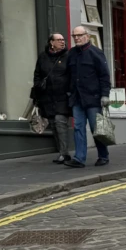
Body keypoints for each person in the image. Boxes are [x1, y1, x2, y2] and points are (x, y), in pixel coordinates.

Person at [66, 26, 110, 168]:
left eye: (79, 35)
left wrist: (105, 95)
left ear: (87, 36)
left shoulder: (96, 53)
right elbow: (68, 75)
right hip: (77, 98)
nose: (76, 38)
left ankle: (103, 156)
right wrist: (68, 91)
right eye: (74, 36)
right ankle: (79, 158)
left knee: (96, 129)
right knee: (78, 128)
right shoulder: (71, 54)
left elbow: (104, 76)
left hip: (93, 98)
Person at [31, 33, 73, 164]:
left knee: (60, 121)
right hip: (47, 97)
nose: (62, 42)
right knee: (53, 124)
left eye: (63, 39)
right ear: (51, 42)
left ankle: (64, 153)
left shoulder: (68, 56)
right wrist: (38, 86)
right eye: (58, 40)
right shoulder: (43, 57)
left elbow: (73, 74)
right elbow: (37, 74)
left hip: (63, 96)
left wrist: (70, 91)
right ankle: (61, 151)